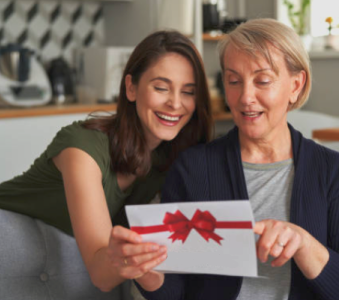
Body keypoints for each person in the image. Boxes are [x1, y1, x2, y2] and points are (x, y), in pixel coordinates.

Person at [133, 19, 339, 300]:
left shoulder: (334, 171)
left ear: (296, 85)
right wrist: (145, 270)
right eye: (234, 81)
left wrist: (304, 244)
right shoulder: (192, 168)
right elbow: (176, 293)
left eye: (262, 81)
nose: (245, 97)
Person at [0, 30, 212, 292]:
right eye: (161, 88)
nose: (175, 103)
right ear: (131, 88)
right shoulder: (82, 149)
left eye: (189, 92)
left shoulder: (170, 158)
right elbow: (102, 275)